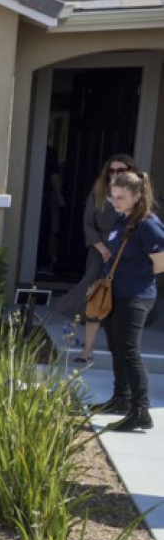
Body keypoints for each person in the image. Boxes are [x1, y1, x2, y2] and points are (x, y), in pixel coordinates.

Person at [91, 171, 162, 432]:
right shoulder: (123, 221)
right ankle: (121, 399)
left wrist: (136, 278)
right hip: (115, 294)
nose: (115, 201)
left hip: (136, 296)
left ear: (137, 196)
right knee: (116, 347)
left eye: (121, 197)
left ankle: (140, 410)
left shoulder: (148, 224)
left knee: (130, 351)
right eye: (113, 196)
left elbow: (161, 261)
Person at [57, 154, 139, 365]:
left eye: (120, 171)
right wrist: (102, 248)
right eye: (111, 171)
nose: (115, 174)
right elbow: (88, 224)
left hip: (127, 255)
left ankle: (124, 350)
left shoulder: (138, 197)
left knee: (123, 303)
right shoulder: (99, 193)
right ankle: (87, 351)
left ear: (130, 171)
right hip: (99, 253)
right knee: (94, 299)